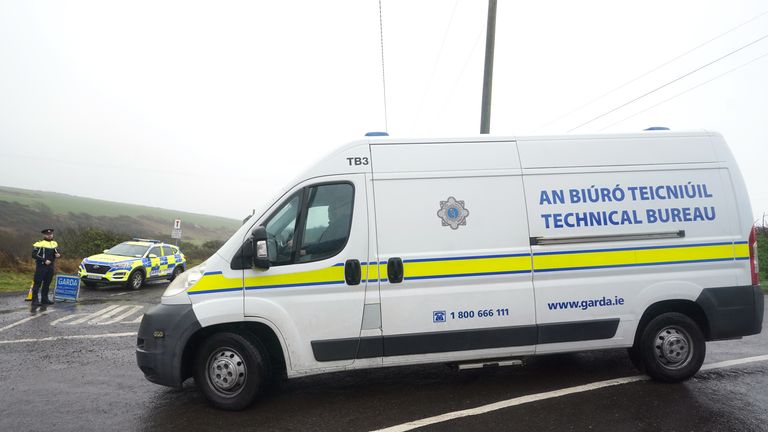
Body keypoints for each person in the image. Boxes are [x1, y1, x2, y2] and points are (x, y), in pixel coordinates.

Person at [31, 228, 60, 306]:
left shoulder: (54, 243)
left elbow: (55, 253)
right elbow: (33, 255)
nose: (50, 236)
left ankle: (44, 299)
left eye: (51, 234)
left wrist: (57, 255)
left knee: (47, 283)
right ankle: (35, 300)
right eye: (48, 235)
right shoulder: (39, 244)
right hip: (41, 266)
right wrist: (44, 260)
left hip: (50, 266)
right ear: (44, 235)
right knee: (37, 283)